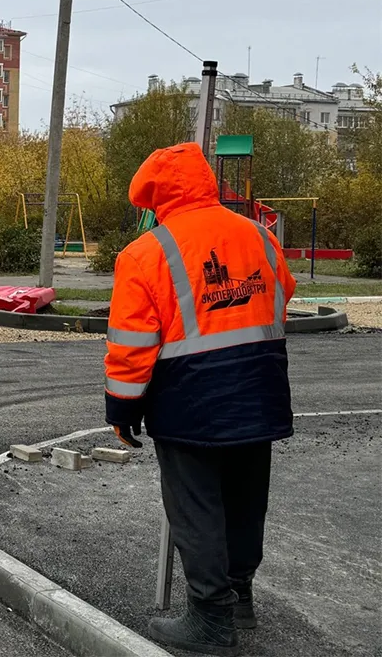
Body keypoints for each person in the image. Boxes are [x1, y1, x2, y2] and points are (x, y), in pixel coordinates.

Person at [103, 142, 296, 656]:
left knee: (197, 509)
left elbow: (131, 347)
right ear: (207, 182)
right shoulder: (259, 234)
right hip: (259, 389)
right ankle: (242, 601)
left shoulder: (147, 254)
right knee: (245, 501)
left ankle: (211, 620)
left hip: (189, 399)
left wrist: (122, 412)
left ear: (154, 198)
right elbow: (285, 290)